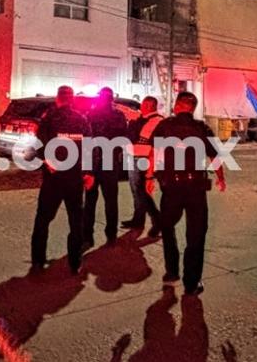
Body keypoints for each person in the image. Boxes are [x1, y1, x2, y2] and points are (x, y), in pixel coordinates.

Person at [152, 92, 226, 296]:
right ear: (193, 108)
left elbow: (154, 153)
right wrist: (221, 178)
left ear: (177, 106)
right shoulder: (202, 128)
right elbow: (215, 156)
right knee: (196, 234)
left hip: (171, 187)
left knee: (167, 227)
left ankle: (172, 271)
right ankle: (191, 282)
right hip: (196, 188)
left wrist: (150, 177)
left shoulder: (164, 126)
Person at [31, 85, 94, 275]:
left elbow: (38, 145)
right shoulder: (81, 119)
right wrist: (88, 173)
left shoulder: (48, 119)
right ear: (72, 99)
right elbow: (89, 148)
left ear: (58, 99)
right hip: (74, 178)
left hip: (54, 178)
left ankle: (38, 260)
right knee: (76, 221)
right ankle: (75, 263)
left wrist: (47, 161)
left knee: (43, 219)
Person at [83, 87, 128, 249]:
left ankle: (87, 237)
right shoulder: (119, 116)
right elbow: (123, 138)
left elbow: (86, 139)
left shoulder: (91, 114)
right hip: (110, 162)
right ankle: (111, 236)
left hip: (93, 163)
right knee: (111, 201)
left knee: (90, 201)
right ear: (112, 99)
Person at [122, 96, 163, 237]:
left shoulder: (157, 121)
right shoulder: (141, 118)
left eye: (145, 105)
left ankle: (157, 220)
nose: (142, 107)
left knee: (142, 192)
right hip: (134, 157)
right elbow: (126, 111)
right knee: (137, 191)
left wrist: (151, 172)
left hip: (144, 160)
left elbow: (155, 146)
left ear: (151, 106)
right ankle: (138, 219)